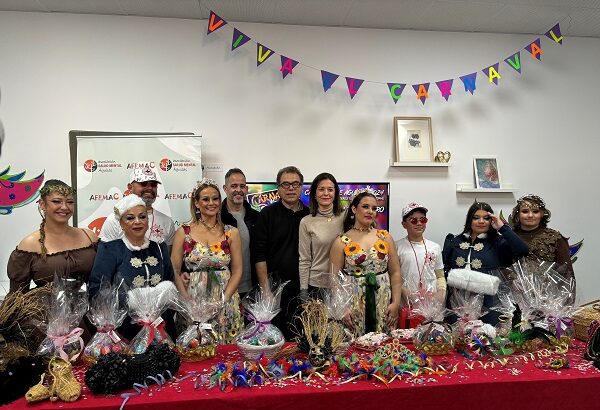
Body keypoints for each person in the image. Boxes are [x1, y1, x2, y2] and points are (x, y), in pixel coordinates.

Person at [89, 195, 176, 341]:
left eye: (142, 217)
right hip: (125, 330)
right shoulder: (110, 249)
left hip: (162, 326)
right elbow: (97, 290)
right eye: (130, 218)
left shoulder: (160, 248)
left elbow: (169, 280)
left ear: (147, 221)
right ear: (121, 224)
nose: (137, 222)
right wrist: (132, 299)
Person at [170, 178, 243, 344]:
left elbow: (238, 270)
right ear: (196, 203)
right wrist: (186, 300)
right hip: (194, 301)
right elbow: (174, 269)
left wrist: (223, 300)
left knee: (226, 347)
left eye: (215, 198)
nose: (211, 203)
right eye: (205, 199)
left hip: (225, 299)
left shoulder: (231, 232)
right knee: (195, 348)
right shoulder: (183, 232)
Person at [442, 201, 528, 324]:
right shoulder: (454, 241)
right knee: (459, 334)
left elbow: (522, 250)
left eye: (486, 218)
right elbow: (443, 269)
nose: (481, 221)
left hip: (490, 304)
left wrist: (502, 227)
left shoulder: (498, 242)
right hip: (458, 304)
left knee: (488, 334)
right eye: (476, 218)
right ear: (469, 220)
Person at [329, 191, 401, 337]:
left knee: (383, 342)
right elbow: (333, 278)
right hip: (353, 302)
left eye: (374, 208)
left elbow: (395, 272)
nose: (370, 211)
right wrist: (342, 308)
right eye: (365, 207)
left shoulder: (385, 237)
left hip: (382, 299)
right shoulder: (341, 241)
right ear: (354, 209)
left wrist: (395, 303)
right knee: (356, 342)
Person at [7, 179, 98, 294]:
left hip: (92, 305)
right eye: (56, 201)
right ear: (42, 204)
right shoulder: (29, 244)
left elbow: (103, 281)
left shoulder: (89, 237)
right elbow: (17, 295)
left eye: (70, 202)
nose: (64, 207)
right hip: (46, 305)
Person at [252, 166, 310, 340]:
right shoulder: (267, 215)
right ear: (278, 188)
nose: (291, 188)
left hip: (306, 288)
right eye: (286, 184)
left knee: (305, 340)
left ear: (301, 187)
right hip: (276, 291)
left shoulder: (310, 215)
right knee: (278, 341)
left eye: (295, 184)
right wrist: (266, 290)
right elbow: (259, 254)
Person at [510, 194, 575, 296]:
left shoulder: (555, 238)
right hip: (514, 296)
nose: (530, 215)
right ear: (517, 214)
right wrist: (511, 280)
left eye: (535, 211)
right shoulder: (508, 237)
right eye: (525, 211)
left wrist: (567, 301)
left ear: (542, 214)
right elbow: (500, 267)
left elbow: (567, 273)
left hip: (550, 298)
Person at [99, 165, 176, 251]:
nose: (149, 188)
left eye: (153, 184)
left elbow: (167, 257)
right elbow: (105, 254)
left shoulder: (167, 222)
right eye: (143, 183)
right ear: (130, 187)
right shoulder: (114, 219)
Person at [396, 202, 445, 328]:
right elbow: (394, 276)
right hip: (407, 305)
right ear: (404, 224)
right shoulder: (397, 247)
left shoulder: (435, 247)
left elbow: (440, 275)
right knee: (408, 337)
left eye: (423, 220)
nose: (419, 223)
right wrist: (405, 292)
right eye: (413, 220)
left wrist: (441, 292)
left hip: (432, 306)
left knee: (432, 337)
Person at [298, 172, 344, 302]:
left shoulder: (345, 217)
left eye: (330, 189)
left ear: (335, 193)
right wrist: (303, 289)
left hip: (342, 284)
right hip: (317, 286)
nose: (326, 193)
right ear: (314, 193)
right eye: (321, 189)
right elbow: (304, 259)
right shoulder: (306, 222)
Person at [220, 168, 259, 299]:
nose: (238, 190)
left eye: (242, 186)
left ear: (246, 189)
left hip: (252, 289)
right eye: (234, 186)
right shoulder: (217, 218)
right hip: (224, 289)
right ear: (225, 188)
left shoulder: (257, 218)